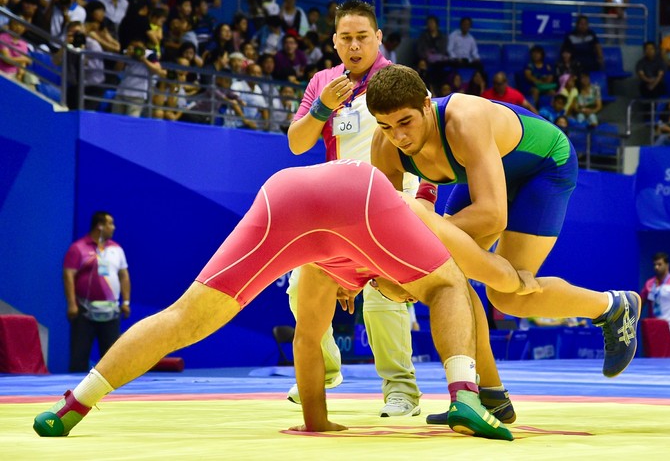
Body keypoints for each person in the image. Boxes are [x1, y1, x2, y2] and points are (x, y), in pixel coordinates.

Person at [33, 160, 541, 440]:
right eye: (395, 290)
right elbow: (459, 279)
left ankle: (74, 403)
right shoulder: (401, 234)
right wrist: (514, 279)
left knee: (184, 317)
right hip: (358, 193)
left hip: (284, 196)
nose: (393, 292)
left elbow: (307, 340)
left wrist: (317, 424)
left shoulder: (320, 271)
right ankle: (464, 397)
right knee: (449, 285)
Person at [365, 65, 641, 422]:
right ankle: (491, 394)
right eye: (386, 126)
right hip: (486, 174)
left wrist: (433, 232)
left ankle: (613, 306)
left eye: (406, 122)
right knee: (450, 272)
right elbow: (392, 228)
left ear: (426, 104)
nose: (399, 136)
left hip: (543, 168)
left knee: (505, 296)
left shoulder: (463, 120)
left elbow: (493, 215)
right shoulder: (385, 145)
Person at [286, 0, 429, 417]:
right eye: (345, 38)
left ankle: (401, 390)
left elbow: (427, 140)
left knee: (385, 295)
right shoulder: (322, 83)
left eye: (362, 37)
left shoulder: (399, 79)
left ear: (378, 38)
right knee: (302, 289)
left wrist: (421, 202)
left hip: (393, 203)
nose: (354, 46)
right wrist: (322, 107)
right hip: (336, 210)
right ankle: (323, 370)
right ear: (333, 42)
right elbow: (297, 143)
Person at [63, 211, 131, 373]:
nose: (113, 227)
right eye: (110, 223)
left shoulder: (117, 249)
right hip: (84, 312)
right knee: (79, 357)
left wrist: (126, 302)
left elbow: (124, 276)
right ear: (100, 226)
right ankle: (76, 395)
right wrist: (72, 304)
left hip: (111, 312)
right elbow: (68, 275)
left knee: (112, 359)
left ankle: (113, 395)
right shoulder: (78, 249)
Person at [640, 252, 670, 338]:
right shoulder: (649, 283)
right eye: (655, 265)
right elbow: (641, 302)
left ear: (667, 265)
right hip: (652, 327)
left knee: (666, 351)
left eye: (659, 264)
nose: (656, 267)